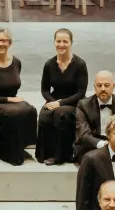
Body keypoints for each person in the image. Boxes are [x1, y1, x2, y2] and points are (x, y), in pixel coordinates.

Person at [0, 27, 37, 166]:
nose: (1, 44)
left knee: (31, 110)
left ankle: (21, 146)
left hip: (9, 104)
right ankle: (7, 151)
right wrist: (9, 99)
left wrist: (11, 100)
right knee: (14, 112)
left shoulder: (16, 62)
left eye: (4, 40)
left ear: (9, 43)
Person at [36, 28, 89, 165]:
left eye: (65, 41)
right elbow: (45, 90)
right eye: (58, 41)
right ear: (54, 42)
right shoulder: (49, 64)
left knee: (61, 115)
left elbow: (81, 92)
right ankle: (45, 153)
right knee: (44, 115)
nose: (61, 44)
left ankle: (60, 155)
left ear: (71, 43)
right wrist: (53, 102)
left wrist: (60, 103)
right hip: (55, 99)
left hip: (74, 101)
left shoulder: (80, 64)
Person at [74, 69, 115, 159]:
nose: (103, 89)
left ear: (113, 86)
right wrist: (106, 145)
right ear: (94, 87)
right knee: (93, 158)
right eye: (99, 85)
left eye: (106, 85)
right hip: (92, 146)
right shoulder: (83, 105)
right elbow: (84, 135)